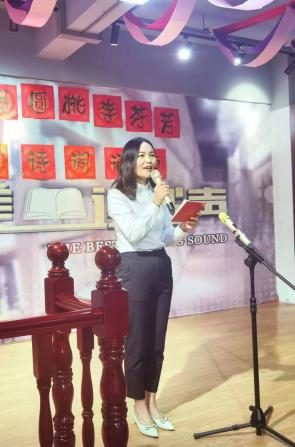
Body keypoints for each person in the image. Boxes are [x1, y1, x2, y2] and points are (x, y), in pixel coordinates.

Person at [106, 137, 199, 438]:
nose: (149, 160)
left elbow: (165, 237)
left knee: (157, 342)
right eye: (142, 155)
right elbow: (134, 233)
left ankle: (152, 402)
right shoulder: (117, 194)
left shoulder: (153, 191)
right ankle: (138, 406)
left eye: (152, 155)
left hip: (160, 264)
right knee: (137, 342)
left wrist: (183, 228)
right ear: (129, 160)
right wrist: (156, 202)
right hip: (133, 266)